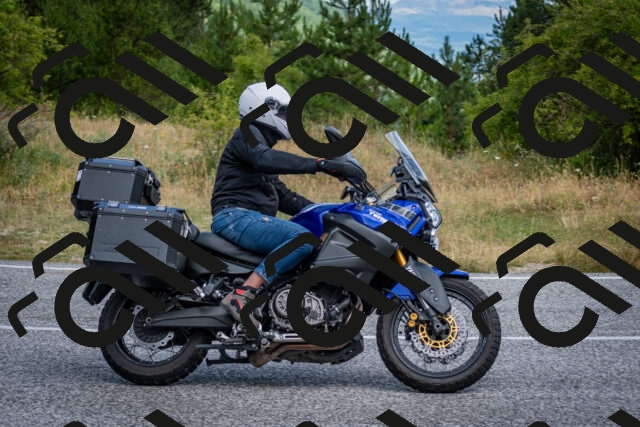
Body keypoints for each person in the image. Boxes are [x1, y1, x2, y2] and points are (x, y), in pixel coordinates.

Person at [210, 82, 366, 331]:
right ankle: (242, 294)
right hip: (234, 216)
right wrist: (318, 164)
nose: (287, 119)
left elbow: (284, 197)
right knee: (302, 239)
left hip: (247, 218)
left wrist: (330, 213)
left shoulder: (260, 149)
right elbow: (265, 159)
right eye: (283, 113)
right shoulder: (246, 136)